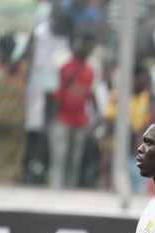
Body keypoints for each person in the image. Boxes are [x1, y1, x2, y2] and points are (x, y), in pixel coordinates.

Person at [49, 33, 96, 189]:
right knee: (60, 157)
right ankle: (56, 188)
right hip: (63, 118)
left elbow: (89, 95)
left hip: (79, 119)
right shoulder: (65, 68)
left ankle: (69, 188)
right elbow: (56, 94)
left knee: (74, 158)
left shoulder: (89, 71)